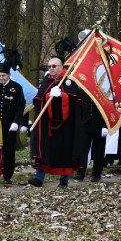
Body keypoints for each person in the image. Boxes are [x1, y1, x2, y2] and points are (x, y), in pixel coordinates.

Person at [28, 57, 84, 188]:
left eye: (54, 66)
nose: (51, 69)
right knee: (43, 148)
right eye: (49, 67)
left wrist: (63, 97)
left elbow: (76, 104)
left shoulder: (69, 82)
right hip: (47, 125)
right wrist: (48, 96)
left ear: (61, 67)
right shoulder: (46, 82)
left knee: (65, 153)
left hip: (65, 126)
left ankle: (63, 181)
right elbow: (38, 101)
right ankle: (39, 178)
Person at [0, 61, 27, 185]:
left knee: (9, 152)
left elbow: (21, 106)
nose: (1, 78)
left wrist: (17, 122)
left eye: (3, 76)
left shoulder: (16, 88)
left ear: (9, 75)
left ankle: (7, 175)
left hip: (9, 125)